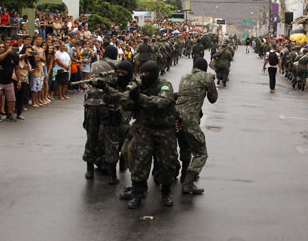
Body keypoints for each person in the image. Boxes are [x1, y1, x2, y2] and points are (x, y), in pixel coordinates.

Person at [122, 61, 179, 209]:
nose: (143, 76)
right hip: (146, 128)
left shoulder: (165, 85)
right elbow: (127, 104)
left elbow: (161, 102)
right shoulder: (139, 85)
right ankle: (138, 193)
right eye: (142, 73)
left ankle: (166, 193)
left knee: (166, 163)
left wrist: (139, 97)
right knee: (140, 161)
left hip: (165, 130)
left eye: (147, 74)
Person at [176, 58, 218, 194]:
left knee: (185, 145)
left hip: (176, 118)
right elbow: (213, 99)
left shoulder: (184, 77)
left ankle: (183, 173)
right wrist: (211, 82)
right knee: (201, 153)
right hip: (190, 120)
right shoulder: (207, 77)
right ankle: (188, 181)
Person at [82, 45, 119, 182]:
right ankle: (112, 175)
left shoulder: (94, 64)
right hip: (108, 104)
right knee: (111, 138)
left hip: (91, 103)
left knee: (91, 136)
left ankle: (89, 170)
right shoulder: (118, 65)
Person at [0, 42, 20, 123]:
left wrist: (19, 80)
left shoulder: (16, 56)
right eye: (13, 47)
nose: (14, 49)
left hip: (8, 80)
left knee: (12, 98)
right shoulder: (3, 53)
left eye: (15, 47)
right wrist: (7, 52)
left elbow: (17, 68)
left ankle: (9, 114)